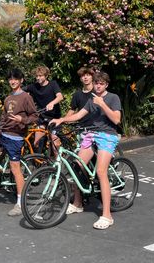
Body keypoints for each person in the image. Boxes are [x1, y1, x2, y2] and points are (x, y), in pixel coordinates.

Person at [50, 71, 121, 230]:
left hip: (107, 136)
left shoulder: (113, 98)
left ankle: (107, 215)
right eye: (96, 83)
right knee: (77, 166)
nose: (97, 85)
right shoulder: (91, 99)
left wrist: (102, 104)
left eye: (101, 83)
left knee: (101, 172)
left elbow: (117, 119)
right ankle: (77, 203)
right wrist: (61, 119)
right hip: (91, 135)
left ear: (106, 85)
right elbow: (78, 115)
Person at [0, 68, 38, 216]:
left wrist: (23, 120)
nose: (13, 81)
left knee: (15, 168)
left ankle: (20, 203)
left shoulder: (25, 97)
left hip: (16, 136)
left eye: (15, 78)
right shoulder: (8, 98)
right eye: (10, 79)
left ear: (21, 80)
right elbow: (3, 118)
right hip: (4, 134)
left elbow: (34, 116)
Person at [24, 65, 63, 152]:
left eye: (40, 76)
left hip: (54, 118)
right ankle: (39, 162)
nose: (38, 78)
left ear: (46, 76)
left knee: (55, 142)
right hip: (42, 118)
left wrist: (52, 103)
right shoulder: (34, 86)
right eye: (37, 76)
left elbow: (60, 97)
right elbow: (21, 91)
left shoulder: (53, 84)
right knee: (37, 142)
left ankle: (58, 162)